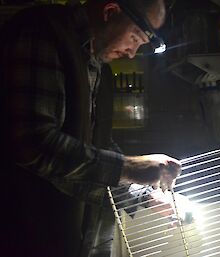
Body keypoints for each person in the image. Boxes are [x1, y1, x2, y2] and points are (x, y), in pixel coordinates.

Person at [0, 0, 181, 257]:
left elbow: (94, 147)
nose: (132, 53)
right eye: (134, 37)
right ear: (110, 11)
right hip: (22, 235)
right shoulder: (42, 32)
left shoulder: (97, 66)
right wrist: (130, 168)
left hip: (67, 238)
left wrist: (143, 195)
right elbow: (31, 143)